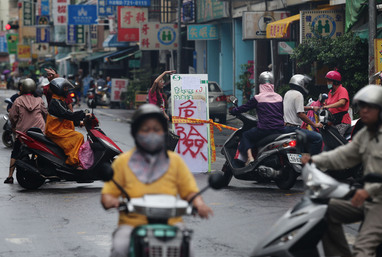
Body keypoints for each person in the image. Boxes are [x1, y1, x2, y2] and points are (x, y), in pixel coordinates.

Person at [101, 104, 213, 257]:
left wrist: (199, 204)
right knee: (121, 246)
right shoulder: (123, 162)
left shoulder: (175, 161)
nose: (151, 134)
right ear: (136, 132)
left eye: (156, 129)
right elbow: (108, 195)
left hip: (172, 224)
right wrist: (111, 201)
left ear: (164, 133)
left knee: (189, 248)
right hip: (132, 225)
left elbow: (190, 191)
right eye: (145, 129)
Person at [301, 85, 382, 257]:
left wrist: (368, 191)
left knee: (363, 249)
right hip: (367, 199)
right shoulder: (366, 134)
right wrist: (314, 160)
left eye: (369, 107)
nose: (364, 111)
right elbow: (344, 155)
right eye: (362, 107)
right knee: (323, 211)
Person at [230, 71, 285, 165]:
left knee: (246, 135)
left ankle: (250, 158)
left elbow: (245, 107)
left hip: (265, 129)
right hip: (280, 129)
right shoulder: (279, 97)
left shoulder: (258, 98)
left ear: (260, 84)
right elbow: (281, 112)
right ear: (272, 83)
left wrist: (233, 111)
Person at [4, 79, 47, 184]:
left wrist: (14, 127)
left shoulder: (18, 100)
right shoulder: (39, 100)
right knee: (44, 152)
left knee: (15, 152)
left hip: (23, 133)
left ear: (22, 88)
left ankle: (10, 176)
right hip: (39, 133)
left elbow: (12, 116)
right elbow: (45, 114)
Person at [45, 78, 87, 168]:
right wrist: (83, 114)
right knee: (78, 137)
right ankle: (73, 163)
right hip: (54, 131)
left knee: (77, 136)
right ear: (58, 88)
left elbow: (67, 117)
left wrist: (80, 123)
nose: (67, 90)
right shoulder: (55, 102)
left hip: (60, 129)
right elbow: (67, 114)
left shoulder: (60, 101)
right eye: (65, 88)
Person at [283, 74, 323, 155]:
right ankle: (313, 162)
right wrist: (314, 125)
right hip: (294, 129)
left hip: (286, 128)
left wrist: (312, 108)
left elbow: (298, 107)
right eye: (305, 84)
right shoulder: (299, 95)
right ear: (300, 83)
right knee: (318, 138)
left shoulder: (288, 93)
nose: (305, 86)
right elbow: (300, 114)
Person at [320, 70, 351, 137]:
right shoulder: (330, 92)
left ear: (335, 82)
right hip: (332, 121)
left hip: (342, 122)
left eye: (329, 81)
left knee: (335, 138)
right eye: (327, 81)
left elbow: (342, 102)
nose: (327, 83)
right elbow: (326, 104)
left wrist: (328, 107)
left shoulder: (342, 90)